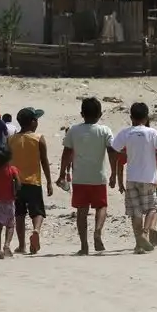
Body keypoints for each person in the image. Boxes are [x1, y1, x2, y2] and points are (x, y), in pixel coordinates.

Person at [56, 97, 118, 255]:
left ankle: (84, 246)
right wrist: (114, 174)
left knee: (81, 211)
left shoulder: (73, 131)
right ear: (100, 114)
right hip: (98, 177)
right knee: (101, 206)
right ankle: (98, 231)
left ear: (81, 113)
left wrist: (62, 173)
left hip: (79, 178)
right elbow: (112, 152)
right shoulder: (105, 130)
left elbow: (67, 153)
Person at [111, 103, 157, 254]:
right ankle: (145, 233)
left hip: (131, 179)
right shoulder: (152, 133)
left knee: (135, 213)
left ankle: (138, 244)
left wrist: (117, 179)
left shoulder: (125, 133)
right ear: (147, 117)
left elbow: (116, 154)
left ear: (131, 117)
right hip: (149, 179)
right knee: (152, 208)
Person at [7, 107, 53, 255]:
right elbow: (44, 161)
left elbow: (7, 162)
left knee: (19, 214)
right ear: (32, 122)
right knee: (38, 211)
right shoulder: (38, 138)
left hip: (16, 183)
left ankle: (22, 245)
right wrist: (49, 182)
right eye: (36, 119)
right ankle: (36, 230)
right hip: (34, 182)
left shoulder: (11, 139)